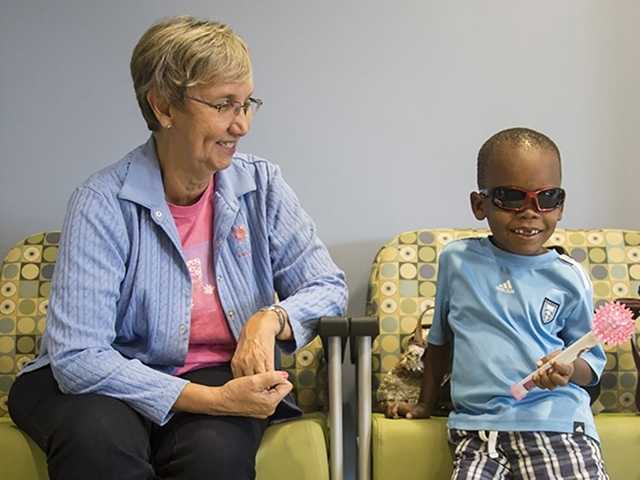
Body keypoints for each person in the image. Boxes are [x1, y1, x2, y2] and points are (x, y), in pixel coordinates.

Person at [8, 15, 347, 480]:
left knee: (214, 456)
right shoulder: (102, 201)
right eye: (225, 104)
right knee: (96, 440)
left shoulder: (261, 185)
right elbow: (80, 357)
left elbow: (327, 285)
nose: (242, 124)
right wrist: (212, 401)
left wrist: (269, 320)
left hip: (211, 371)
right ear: (164, 107)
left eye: (247, 103)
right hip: (104, 381)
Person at [387, 127, 608, 479]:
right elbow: (440, 342)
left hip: (556, 424)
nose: (530, 212)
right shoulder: (457, 262)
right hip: (475, 433)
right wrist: (425, 404)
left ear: (561, 205)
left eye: (547, 197)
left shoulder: (570, 276)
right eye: (511, 197)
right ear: (479, 204)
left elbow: (590, 362)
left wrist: (568, 369)